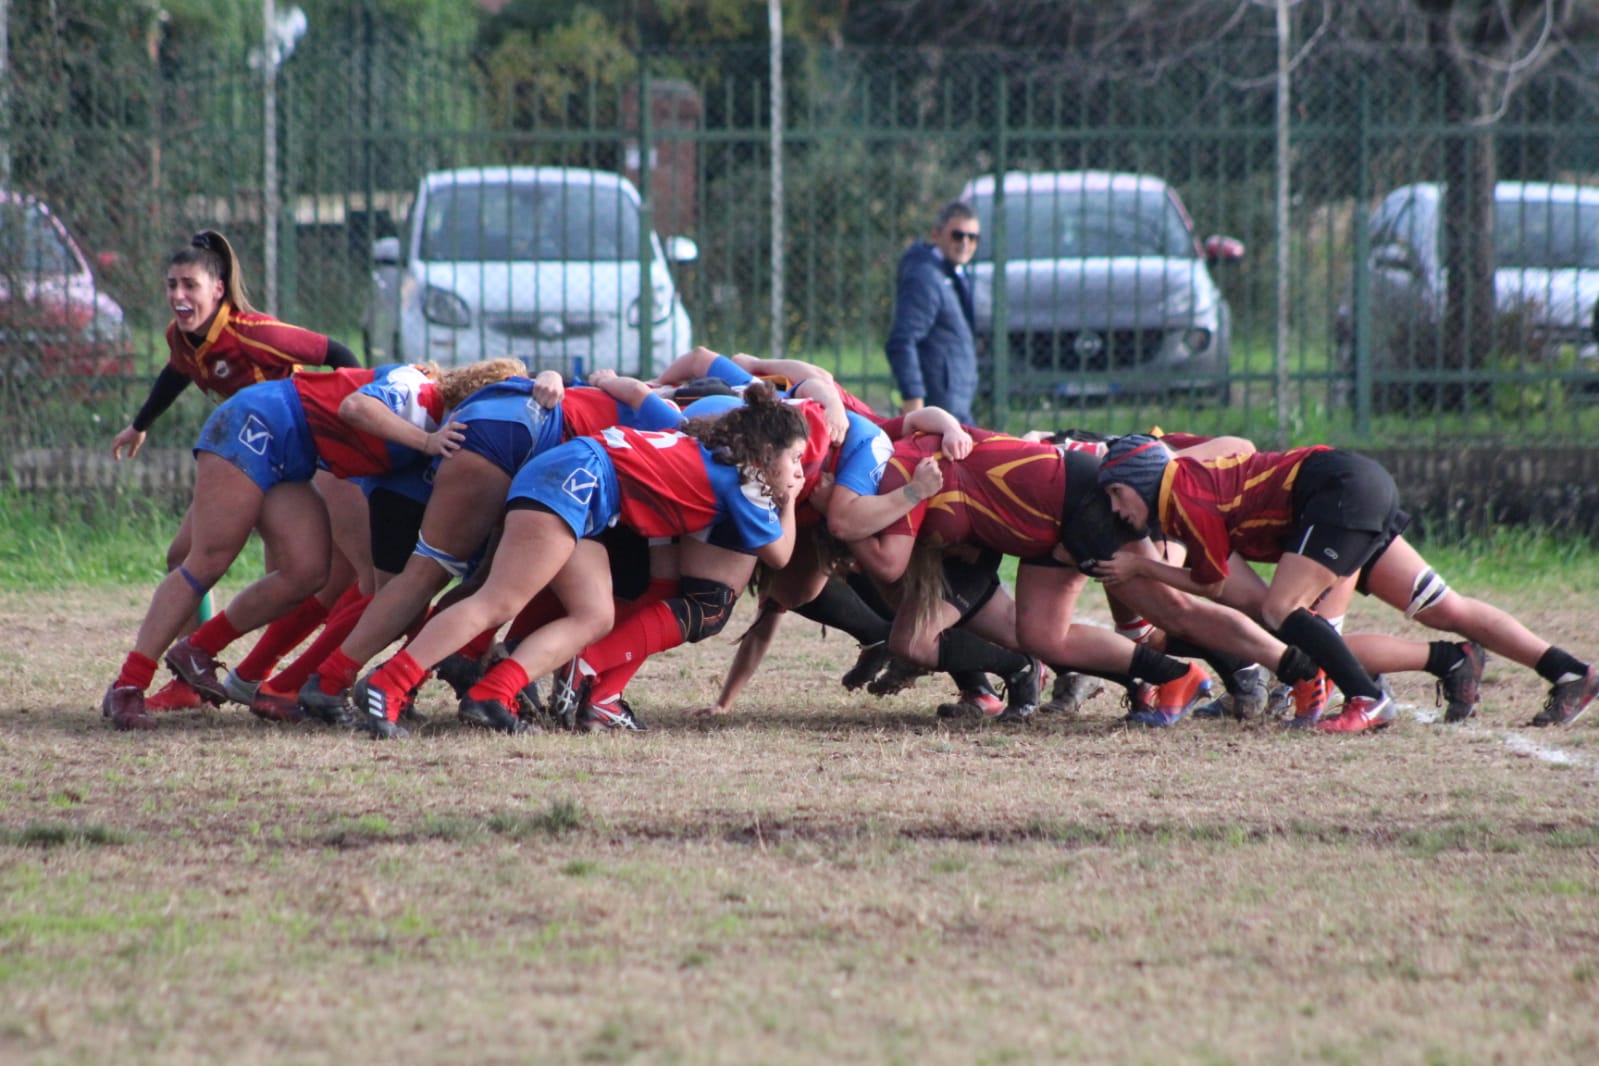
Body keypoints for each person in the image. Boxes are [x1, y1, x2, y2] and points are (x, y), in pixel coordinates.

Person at [349, 382, 810, 739]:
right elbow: (781, 553)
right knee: (498, 601)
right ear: (767, 453)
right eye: (795, 460)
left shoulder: (715, 447)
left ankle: (494, 693)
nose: (799, 472)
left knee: (595, 615)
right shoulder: (748, 482)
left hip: (580, 479)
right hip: (577, 481)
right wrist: (788, 500)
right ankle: (387, 685)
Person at [100, 359, 523, 730]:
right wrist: (427, 441)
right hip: (257, 423)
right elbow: (354, 406)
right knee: (206, 561)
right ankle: (128, 685)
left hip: (293, 457)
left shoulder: (441, 432)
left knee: (308, 573)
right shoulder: (419, 390)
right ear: (473, 399)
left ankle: (197, 648)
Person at [1094, 435, 1596, 731]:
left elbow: (1212, 582)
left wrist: (1141, 569)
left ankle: (1371, 697)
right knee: (1444, 607)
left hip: (1332, 497)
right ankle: (1569, 671)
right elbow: (1240, 452)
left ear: (1141, 475)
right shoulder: (1180, 473)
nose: (1116, 510)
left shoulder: (1179, 494)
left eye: (1116, 494)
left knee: (1283, 613)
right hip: (1346, 488)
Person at [110, 230, 364, 711]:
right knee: (184, 556)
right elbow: (177, 372)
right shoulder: (182, 335)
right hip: (243, 457)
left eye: (190, 285)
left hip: (292, 456)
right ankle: (190, 675)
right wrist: (139, 425)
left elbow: (337, 353)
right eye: (172, 285)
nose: (179, 296)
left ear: (218, 289)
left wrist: (360, 412)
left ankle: (257, 673)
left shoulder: (253, 332)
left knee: (305, 573)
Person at [884, 201, 981, 425]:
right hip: (939, 407)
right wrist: (913, 397)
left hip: (956, 403)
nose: (965, 243)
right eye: (957, 235)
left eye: (973, 237)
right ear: (937, 235)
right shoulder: (925, 277)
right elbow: (903, 340)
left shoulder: (952, 274)